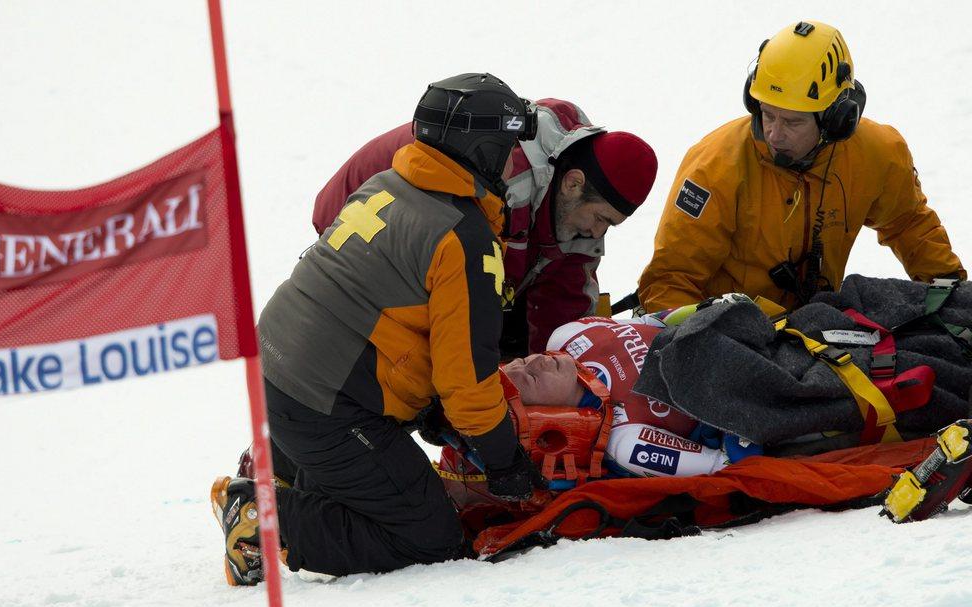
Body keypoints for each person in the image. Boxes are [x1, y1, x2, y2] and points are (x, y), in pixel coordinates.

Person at [210, 73, 546, 584]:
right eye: (507, 150)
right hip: (325, 402)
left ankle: (280, 473)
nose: (510, 164)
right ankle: (263, 520)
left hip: (277, 367)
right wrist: (505, 461)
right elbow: (467, 380)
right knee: (430, 536)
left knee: (382, 463)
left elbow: (390, 314)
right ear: (482, 148)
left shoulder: (389, 184)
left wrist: (433, 408)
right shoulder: (463, 237)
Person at [637, 20, 965, 313]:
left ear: (837, 118)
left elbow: (908, 224)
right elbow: (669, 284)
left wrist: (952, 294)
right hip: (729, 340)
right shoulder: (714, 166)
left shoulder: (879, 154)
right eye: (767, 114)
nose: (775, 134)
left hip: (812, 335)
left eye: (793, 122)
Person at [313, 99, 659, 356]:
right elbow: (462, 298)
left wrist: (570, 369)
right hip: (364, 225)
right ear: (573, 184)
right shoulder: (506, 180)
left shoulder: (573, 205)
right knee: (392, 365)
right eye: (601, 219)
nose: (598, 233)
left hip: (441, 240)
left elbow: (563, 307)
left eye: (610, 225)